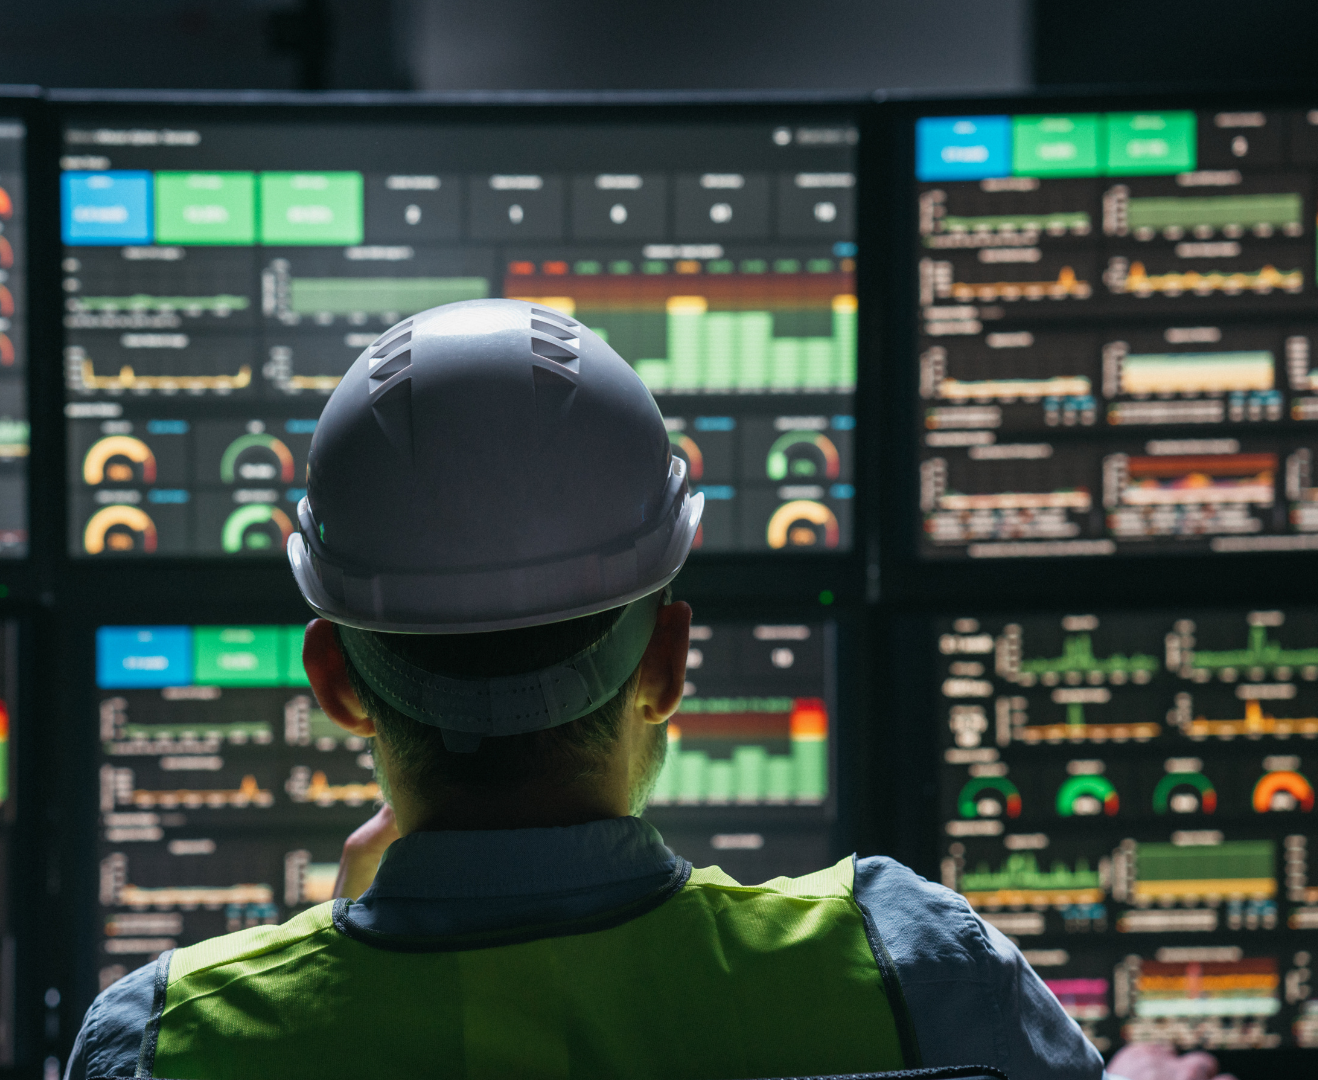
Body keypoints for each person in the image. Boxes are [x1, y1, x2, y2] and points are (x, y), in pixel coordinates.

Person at [65, 299, 1227, 1080]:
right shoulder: (915, 967)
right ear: (668, 662)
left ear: (337, 683)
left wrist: (328, 950)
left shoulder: (164, 1041)